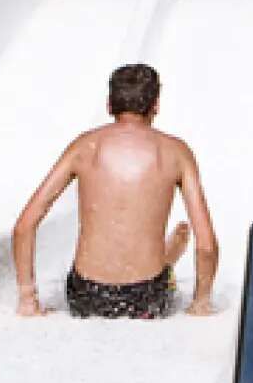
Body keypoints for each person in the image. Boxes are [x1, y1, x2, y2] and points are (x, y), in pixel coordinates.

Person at [11, 64, 220, 319]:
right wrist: (201, 303)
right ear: (155, 105)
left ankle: (167, 255)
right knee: (162, 275)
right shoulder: (176, 153)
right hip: (146, 298)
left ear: (109, 105)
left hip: (86, 296)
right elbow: (206, 245)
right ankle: (168, 256)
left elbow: (24, 226)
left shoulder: (84, 146)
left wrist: (27, 299)